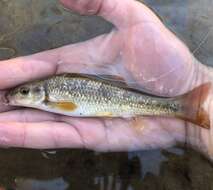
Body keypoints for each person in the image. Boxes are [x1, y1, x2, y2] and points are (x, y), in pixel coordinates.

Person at [0, 0, 212, 159]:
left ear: (40, 92)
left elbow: (69, 105)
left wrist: (193, 80)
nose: (21, 94)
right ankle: (183, 108)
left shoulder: (50, 97)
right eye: (23, 92)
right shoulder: (47, 95)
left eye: (25, 92)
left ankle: (181, 107)